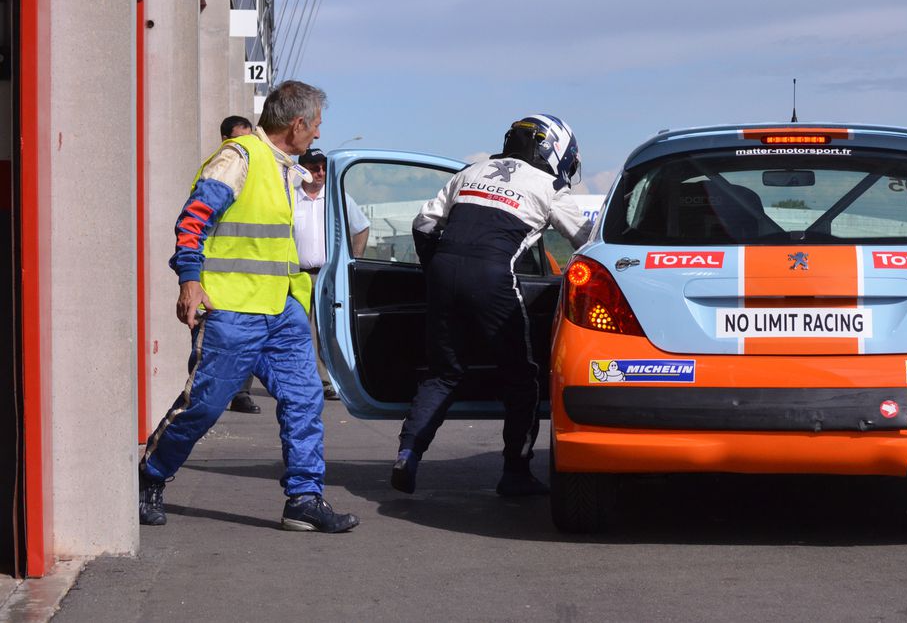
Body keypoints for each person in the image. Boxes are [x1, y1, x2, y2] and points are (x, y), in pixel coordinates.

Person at [139, 81, 359, 533]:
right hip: (231, 310)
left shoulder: (285, 168)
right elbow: (193, 221)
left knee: (304, 398)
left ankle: (304, 497)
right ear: (297, 124)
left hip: (280, 311)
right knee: (204, 405)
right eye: (315, 125)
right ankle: (149, 478)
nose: (317, 134)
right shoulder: (239, 157)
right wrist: (190, 281)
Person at [391, 114, 593, 497]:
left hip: (443, 271)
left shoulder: (471, 171)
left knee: (443, 374)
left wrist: (435, 269)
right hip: (493, 276)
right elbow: (587, 242)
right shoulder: (549, 185)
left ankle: (407, 454)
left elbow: (423, 224)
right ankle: (515, 473)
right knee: (522, 377)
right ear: (556, 150)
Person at [294, 147, 370, 400]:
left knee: (327, 330)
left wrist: (353, 260)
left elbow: (360, 227)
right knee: (296, 330)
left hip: (328, 275)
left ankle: (326, 381)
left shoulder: (338, 198)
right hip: (296, 275)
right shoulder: (290, 198)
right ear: (301, 168)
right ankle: (297, 380)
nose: (320, 172)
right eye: (314, 167)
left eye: (324, 167)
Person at [217, 115, 263, 415]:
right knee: (229, 346)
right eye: (240, 141)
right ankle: (234, 393)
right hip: (228, 279)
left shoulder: (265, 176)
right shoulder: (221, 172)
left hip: (263, 280)